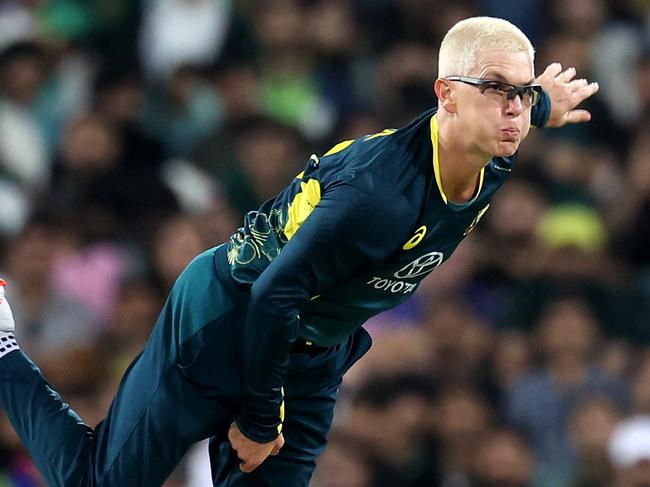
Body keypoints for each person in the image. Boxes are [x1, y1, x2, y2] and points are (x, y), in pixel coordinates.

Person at [0, 16, 599, 487]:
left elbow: (514, 106)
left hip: (311, 351)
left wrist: (544, 100)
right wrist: (260, 421)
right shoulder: (378, 197)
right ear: (445, 95)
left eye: (521, 95)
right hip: (225, 319)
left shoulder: (495, 143)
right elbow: (272, 295)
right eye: (497, 90)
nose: (514, 110)